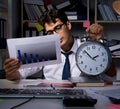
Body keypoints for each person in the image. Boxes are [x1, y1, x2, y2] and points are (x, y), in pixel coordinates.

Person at [3, 8, 115, 81]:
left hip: (84, 97)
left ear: (68, 25)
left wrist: (100, 46)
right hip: (53, 97)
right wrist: (10, 72)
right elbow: (17, 76)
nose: (55, 35)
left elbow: (111, 76)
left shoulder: (88, 46)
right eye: (50, 32)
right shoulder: (45, 50)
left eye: (58, 28)